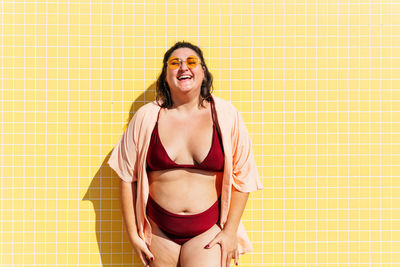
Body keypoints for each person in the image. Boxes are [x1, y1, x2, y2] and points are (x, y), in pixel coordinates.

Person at [107, 41, 263, 267]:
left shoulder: (227, 115)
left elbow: (244, 177)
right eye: (175, 63)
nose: (183, 67)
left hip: (207, 233)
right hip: (159, 232)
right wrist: (133, 234)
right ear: (166, 75)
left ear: (203, 72)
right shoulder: (146, 117)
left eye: (191, 62)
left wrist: (230, 232)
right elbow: (126, 176)